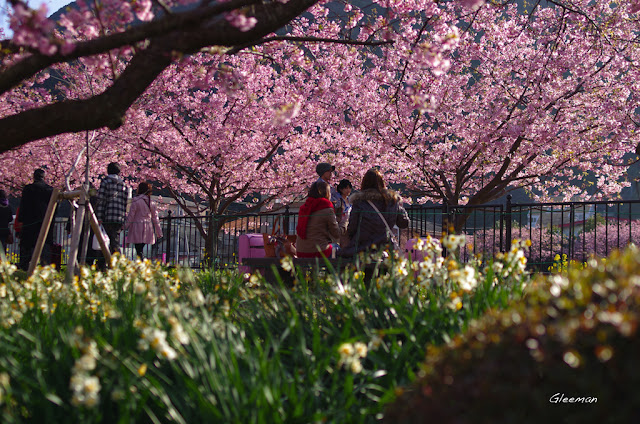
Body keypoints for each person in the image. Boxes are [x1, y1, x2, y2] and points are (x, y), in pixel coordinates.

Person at [340, 168, 409, 257]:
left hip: (362, 247)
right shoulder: (392, 201)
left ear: (364, 183)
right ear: (382, 182)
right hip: (385, 246)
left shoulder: (360, 202)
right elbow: (404, 223)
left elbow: (352, 227)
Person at [16, 169, 55, 270]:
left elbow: (23, 206)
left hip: (30, 223)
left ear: (34, 177)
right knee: (45, 247)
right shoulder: (50, 190)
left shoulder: (28, 189)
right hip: (45, 223)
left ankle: (25, 269)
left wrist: (20, 219)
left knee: (27, 248)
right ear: (44, 177)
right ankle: (45, 270)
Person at [295, 181, 342, 258]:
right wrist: (344, 224)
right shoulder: (326, 208)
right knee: (337, 248)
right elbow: (336, 234)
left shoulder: (304, 208)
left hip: (300, 251)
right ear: (326, 193)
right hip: (318, 252)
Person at [96, 162, 131, 256]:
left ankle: (105, 265)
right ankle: (115, 264)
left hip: (107, 216)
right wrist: (124, 219)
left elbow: (101, 200)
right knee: (114, 241)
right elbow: (125, 203)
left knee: (104, 242)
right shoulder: (123, 185)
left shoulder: (106, 182)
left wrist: (99, 217)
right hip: (119, 218)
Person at [125, 182, 163, 260]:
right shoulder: (151, 202)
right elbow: (155, 218)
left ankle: (141, 264)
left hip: (137, 226)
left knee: (138, 249)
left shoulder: (136, 201)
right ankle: (142, 264)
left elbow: (131, 216)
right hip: (148, 227)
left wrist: (124, 226)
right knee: (141, 248)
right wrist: (159, 232)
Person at [332, 179, 352, 247]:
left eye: (349, 188)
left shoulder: (350, 200)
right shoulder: (338, 200)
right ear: (341, 189)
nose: (348, 190)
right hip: (339, 226)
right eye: (346, 188)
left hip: (348, 225)